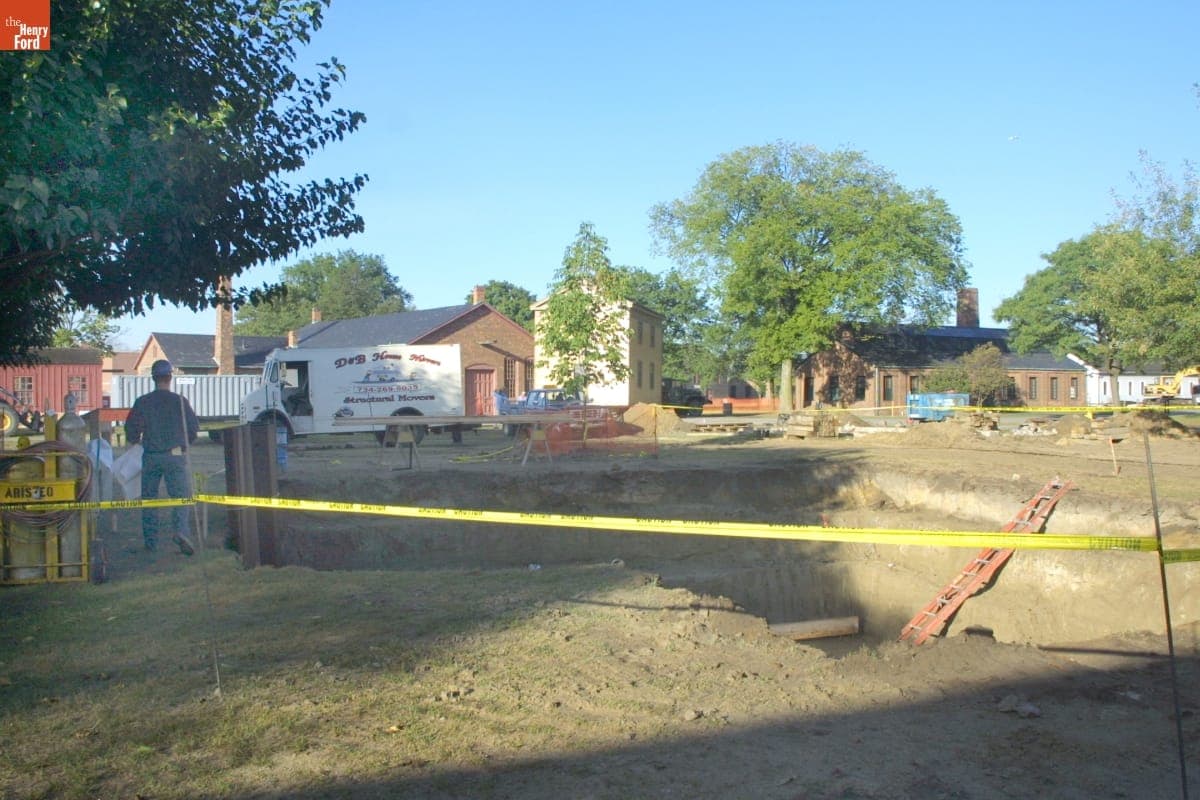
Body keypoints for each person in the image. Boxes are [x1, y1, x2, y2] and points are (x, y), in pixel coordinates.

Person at [124, 359, 200, 555]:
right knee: (181, 498)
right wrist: (185, 444)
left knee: (150, 500)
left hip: (151, 456)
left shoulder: (143, 402)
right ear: (170, 377)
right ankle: (181, 532)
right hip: (174, 455)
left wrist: (135, 440)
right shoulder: (180, 401)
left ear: (153, 378)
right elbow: (193, 428)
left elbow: (131, 429)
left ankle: (151, 542)